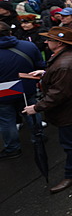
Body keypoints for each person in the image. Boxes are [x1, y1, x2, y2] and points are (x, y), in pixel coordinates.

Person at [23, 26, 72, 193]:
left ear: (60, 43)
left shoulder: (65, 64)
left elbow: (58, 94)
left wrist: (36, 107)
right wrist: (46, 73)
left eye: (49, 39)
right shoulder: (71, 55)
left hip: (70, 111)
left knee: (71, 143)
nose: (46, 42)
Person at [0, 22, 46, 160]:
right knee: (31, 111)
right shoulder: (28, 45)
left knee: (6, 120)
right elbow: (40, 65)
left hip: (3, 91)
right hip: (26, 86)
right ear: (10, 32)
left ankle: (13, 148)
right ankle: (38, 137)